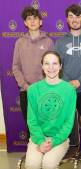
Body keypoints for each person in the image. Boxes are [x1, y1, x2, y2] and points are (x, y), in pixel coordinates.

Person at [24, 51, 76, 169]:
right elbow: (32, 120)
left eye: (54, 63)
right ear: (42, 66)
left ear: (60, 66)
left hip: (59, 139)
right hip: (38, 137)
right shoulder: (33, 90)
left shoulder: (68, 90)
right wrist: (40, 141)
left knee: (48, 165)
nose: (51, 67)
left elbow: (68, 123)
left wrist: (53, 141)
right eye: (47, 63)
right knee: (32, 165)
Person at [55, 4, 81, 163]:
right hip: (66, 90)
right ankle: (68, 151)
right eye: (71, 16)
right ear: (67, 20)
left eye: (77, 16)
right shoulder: (60, 43)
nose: (74, 19)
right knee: (66, 123)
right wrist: (67, 83)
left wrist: (79, 81)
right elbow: (55, 66)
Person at [12, 6, 54, 137]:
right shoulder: (19, 42)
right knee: (31, 126)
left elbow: (53, 67)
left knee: (47, 125)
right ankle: (33, 154)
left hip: (45, 91)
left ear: (40, 21)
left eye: (35, 18)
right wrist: (26, 86)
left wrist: (44, 86)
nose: (32, 21)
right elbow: (15, 67)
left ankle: (48, 154)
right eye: (29, 19)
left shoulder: (48, 42)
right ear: (25, 23)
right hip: (27, 91)